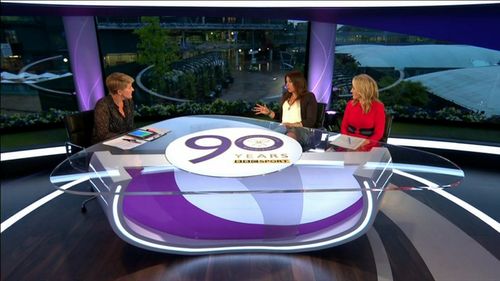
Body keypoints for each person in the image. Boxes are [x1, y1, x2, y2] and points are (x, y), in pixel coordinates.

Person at [253, 70, 318, 129]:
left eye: (290, 82)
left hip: (300, 130)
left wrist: (291, 125)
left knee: (289, 135)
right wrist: (269, 113)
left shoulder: (309, 96)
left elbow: (310, 121)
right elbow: (281, 117)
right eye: (286, 82)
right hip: (284, 129)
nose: (287, 85)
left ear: (298, 82)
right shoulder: (286, 96)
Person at [340, 74, 386, 149]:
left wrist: (364, 143)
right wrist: (347, 140)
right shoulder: (350, 104)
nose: (351, 91)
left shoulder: (378, 107)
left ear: (362, 90)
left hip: (367, 145)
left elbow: (379, 134)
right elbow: (344, 126)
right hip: (348, 142)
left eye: (354, 88)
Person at [92, 72, 135, 144]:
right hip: (104, 146)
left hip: (125, 142)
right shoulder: (103, 105)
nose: (133, 89)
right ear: (119, 92)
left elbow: (130, 127)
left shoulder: (128, 101)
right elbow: (103, 135)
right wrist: (127, 137)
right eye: (130, 87)